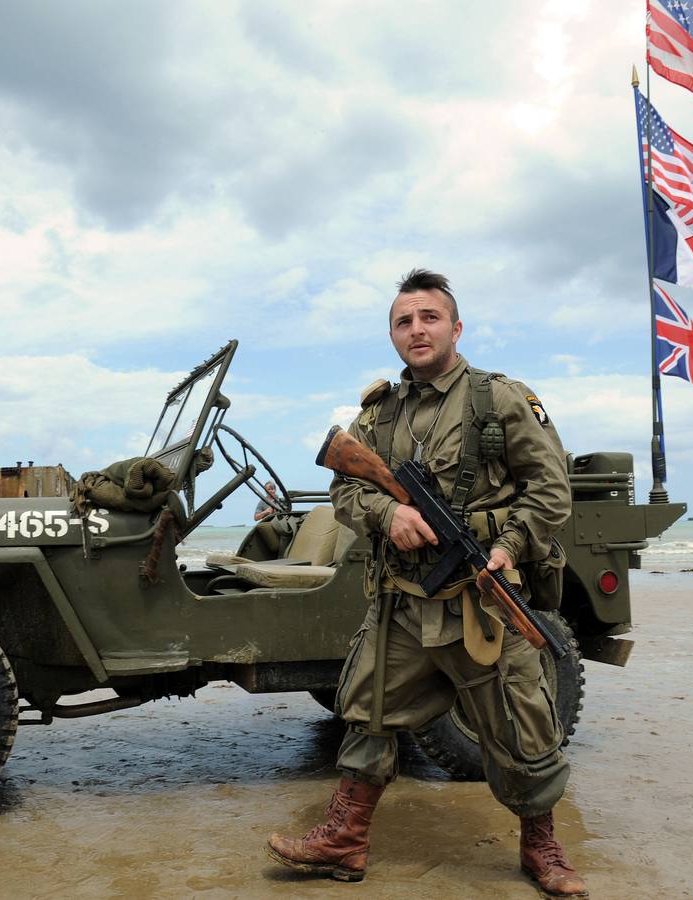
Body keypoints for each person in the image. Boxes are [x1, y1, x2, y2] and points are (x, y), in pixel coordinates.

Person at [266, 269, 585, 895]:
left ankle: (542, 848)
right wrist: (391, 514)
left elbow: (550, 491)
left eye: (429, 317)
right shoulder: (378, 413)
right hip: (404, 607)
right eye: (404, 321)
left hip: (483, 602)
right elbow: (347, 489)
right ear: (392, 334)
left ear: (456, 327)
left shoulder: (500, 399)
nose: (417, 329)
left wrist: (508, 544)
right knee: (368, 714)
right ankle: (346, 839)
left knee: (525, 724)